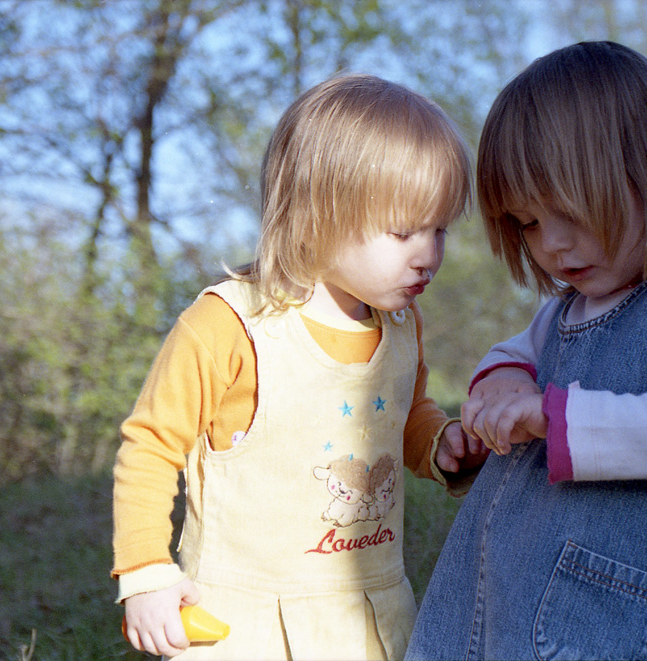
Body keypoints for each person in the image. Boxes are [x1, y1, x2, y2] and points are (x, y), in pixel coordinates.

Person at [405, 41, 647, 661]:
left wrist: (553, 416)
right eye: (527, 221)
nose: (550, 244)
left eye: (572, 210)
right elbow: (512, 354)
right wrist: (498, 389)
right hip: (514, 611)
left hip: (637, 626)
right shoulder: (563, 310)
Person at [112, 73, 487, 661]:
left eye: (439, 230)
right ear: (317, 212)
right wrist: (146, 574)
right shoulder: (231, 324)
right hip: (248, 621)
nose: (429, 256)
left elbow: (404, 416)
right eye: (403, 231)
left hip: (368, 613)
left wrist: (438, 445)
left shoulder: (401, 327)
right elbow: (150, 444)